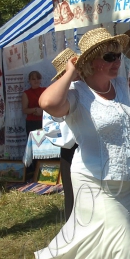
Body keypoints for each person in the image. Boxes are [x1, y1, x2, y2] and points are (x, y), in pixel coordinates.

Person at [36, 27, 130, 259]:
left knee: (125, 248)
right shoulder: (77, 94)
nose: (116, 61)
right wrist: (71, 69)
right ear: (89, 62)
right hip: (93, 182)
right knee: (126, 246)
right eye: (109, 56)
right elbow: (47, 101)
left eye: (118, 54)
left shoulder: (121, 88)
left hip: (125, 181)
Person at [50, 48, 79, 222]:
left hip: (88, 146)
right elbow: (50, 126)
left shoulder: (87, 89)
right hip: (70, 148)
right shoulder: (56, 94)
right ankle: (71, 223)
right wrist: (68, 140)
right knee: (71, 189)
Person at [22, 70, 46, 137]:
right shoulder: (26, 93)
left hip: (45, 121)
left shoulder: (45, 90)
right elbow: (24, 110)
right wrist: (35, 109)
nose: (36, 81)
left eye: (38, 78)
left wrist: (42, 111)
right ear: (29, 80)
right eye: (33, 79)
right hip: (32, 122)